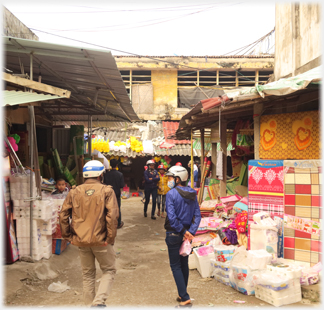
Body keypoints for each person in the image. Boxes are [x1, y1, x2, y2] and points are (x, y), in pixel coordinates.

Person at [59, 160, 119, 307]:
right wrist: (110, 238)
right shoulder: (107, 191)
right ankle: (98, 302)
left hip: (80, 240)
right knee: (109, 270)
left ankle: (90, 306)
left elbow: (63, 215)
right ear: (100, 175)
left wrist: (68, 237)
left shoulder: (74, 191)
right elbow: (112, 217)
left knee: (87, 275)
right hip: (101, 240)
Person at [164, 166, 201, 307]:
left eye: (170, 177)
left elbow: (172, 218)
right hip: (186, 237)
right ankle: (182, 293)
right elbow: (197, 216)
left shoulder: (171, 194)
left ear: (178, 179)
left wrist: (183, 231)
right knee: (183, 264)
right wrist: (190, 232)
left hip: (174, 234)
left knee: (175, 266)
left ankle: (185, 297)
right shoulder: (193, 194)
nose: (168, 180)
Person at [104, 159, 125, 229]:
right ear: (117, 165)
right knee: (117, 208)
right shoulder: (120, 174)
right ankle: (118, 223)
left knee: (108, 208)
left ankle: (108, 223)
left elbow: (104, 184)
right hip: (116, 194)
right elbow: (122, 185)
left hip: (108, 193)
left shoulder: (106, 174)